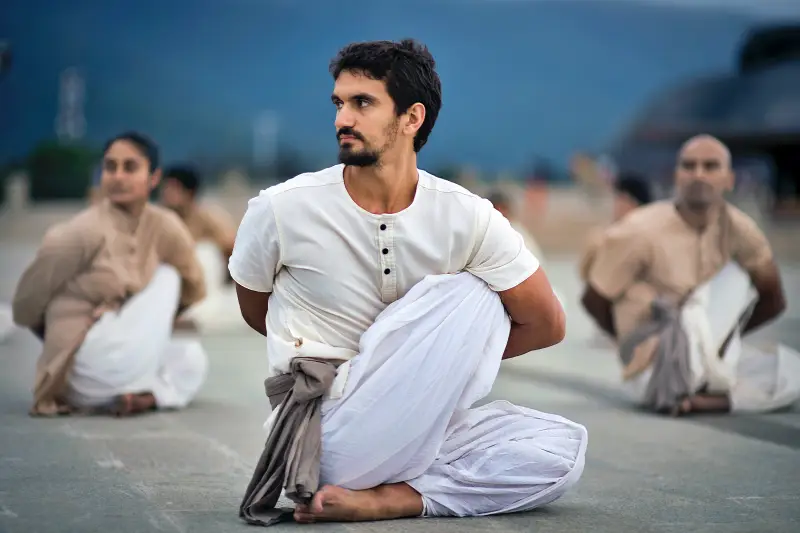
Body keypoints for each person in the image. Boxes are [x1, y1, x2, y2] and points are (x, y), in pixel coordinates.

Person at [230, 39, 587, 525]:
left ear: (412, 118)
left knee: (560, 453)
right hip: (325, 432)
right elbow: (256, 309)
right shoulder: (281, 208)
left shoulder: (467, 216)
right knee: (472, 291)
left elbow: (548, 323)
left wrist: (435, 367)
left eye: (363, 103)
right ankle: (382, 486)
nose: (342, 119)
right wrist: (388, 367)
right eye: (339, 103)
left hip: (418, 424)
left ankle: (392, 498)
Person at [581, 134, 800, 416]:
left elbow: (775, 299)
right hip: (653, 364)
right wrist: (628, 343)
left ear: (729, 179)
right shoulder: (639, 229)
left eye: (710, 166)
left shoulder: (740, 230)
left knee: (791, 372)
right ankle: (696, 385)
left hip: (707, 357)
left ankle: (704, 401)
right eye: (689, 166)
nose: (699, 174)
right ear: (676, 176)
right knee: (732, 279)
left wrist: (721, 341)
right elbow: (593, 299)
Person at [12, 132, 209, 417]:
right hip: (89, 360)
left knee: (192, 360)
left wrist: (133, 315)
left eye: (129, 167)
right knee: (168, 277)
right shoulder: (80, 231)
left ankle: (144, 398)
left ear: (154, 178)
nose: (117, 176)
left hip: (126, 353)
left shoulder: (165, 225)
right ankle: (138, 389)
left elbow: (197, 289)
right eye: (110, 167)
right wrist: (63, 336)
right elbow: (25, 305)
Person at [160, 165, 241, 332]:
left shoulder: (209, 219)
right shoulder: (159, 221)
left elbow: (234, 250)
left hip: (204, 286)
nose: (166, 194)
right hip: (170, 286)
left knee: (204, 251)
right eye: (165, 188)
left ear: (189, 193)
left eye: (173, 189)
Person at [578, 173, 652, 282]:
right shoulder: (600, 238)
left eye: (623, 201)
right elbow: (584, 274)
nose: (617, 205)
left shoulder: (651, 240)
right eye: (617, 199)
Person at [488, 190, 545, 263]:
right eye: (495, 207)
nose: (500, 212)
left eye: (503, 208)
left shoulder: (516, 233)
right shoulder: (483, 232)